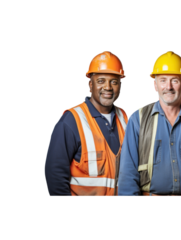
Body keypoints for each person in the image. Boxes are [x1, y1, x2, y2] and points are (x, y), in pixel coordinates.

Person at [118, 49, 181, 198]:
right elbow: (127, 172)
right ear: (155, 85)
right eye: (163, 80)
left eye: (175, 80)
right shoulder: (138, 118)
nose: (169, 87)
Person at [45, 49, 128, 198]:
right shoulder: (71, 121)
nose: (108, 87)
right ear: (90, 84)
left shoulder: (126, 118)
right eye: (101, 81)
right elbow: (55, 175)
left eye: (114, 81)